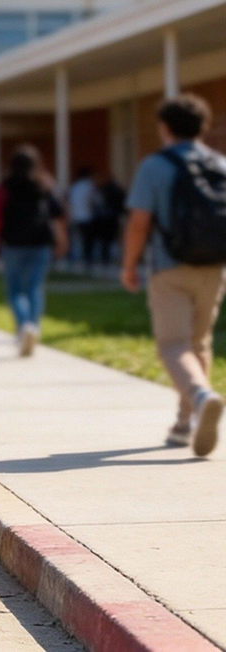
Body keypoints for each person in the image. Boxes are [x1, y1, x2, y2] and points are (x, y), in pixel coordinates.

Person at [121, 93, 225, 457]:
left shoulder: (155, 166)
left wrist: (129, 265)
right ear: (203, 127)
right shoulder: (220, 163)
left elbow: (139, 223)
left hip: (170, 266)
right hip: (214, 267)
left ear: (164, 127)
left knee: (173, 344)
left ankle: (200, 397)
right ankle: (185, 423)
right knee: (199, 343)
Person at [0, 146, 68, 356]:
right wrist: (62, 240)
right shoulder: (43, 186)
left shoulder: (4, 187)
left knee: (14, 290)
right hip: (40, 244)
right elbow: (57, 215)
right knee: (34, 288)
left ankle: (24, 326)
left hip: (12, 244)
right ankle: (33, 326)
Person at [67, 166, 99, 269]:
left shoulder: (75, 186)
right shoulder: (89, 185)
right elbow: (95, 200)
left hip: (75, 216)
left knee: (77, 240)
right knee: (87, 240)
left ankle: (74, 259)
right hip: (87, 216)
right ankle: (87, 260)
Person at [93, 173, 126, 265]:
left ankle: (105, 257)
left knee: (105, 240)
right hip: (113, 217)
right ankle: (111, 257)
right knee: (112, 239)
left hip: (105, 218)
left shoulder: (103, 191)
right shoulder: (117, 191)